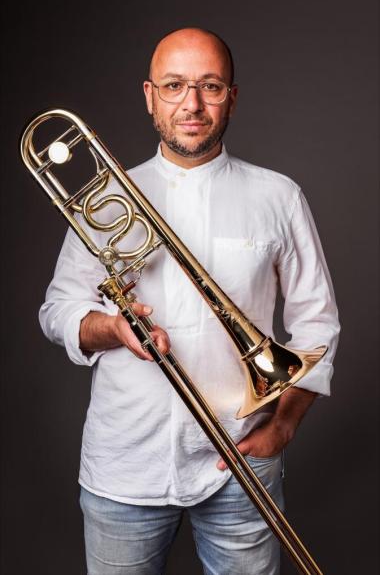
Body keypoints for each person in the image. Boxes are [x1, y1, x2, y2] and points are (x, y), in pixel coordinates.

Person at [39, 28, 340, 575]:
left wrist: (284, 427)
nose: (192, 104)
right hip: (124, 464)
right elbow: (58, 312)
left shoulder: (278, 196)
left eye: (211, 86)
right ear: (150, 95)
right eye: (175, 86)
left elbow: (317, 325)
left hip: (242, 460)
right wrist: (113, 330)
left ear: (233, 96)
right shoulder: (105, 197)